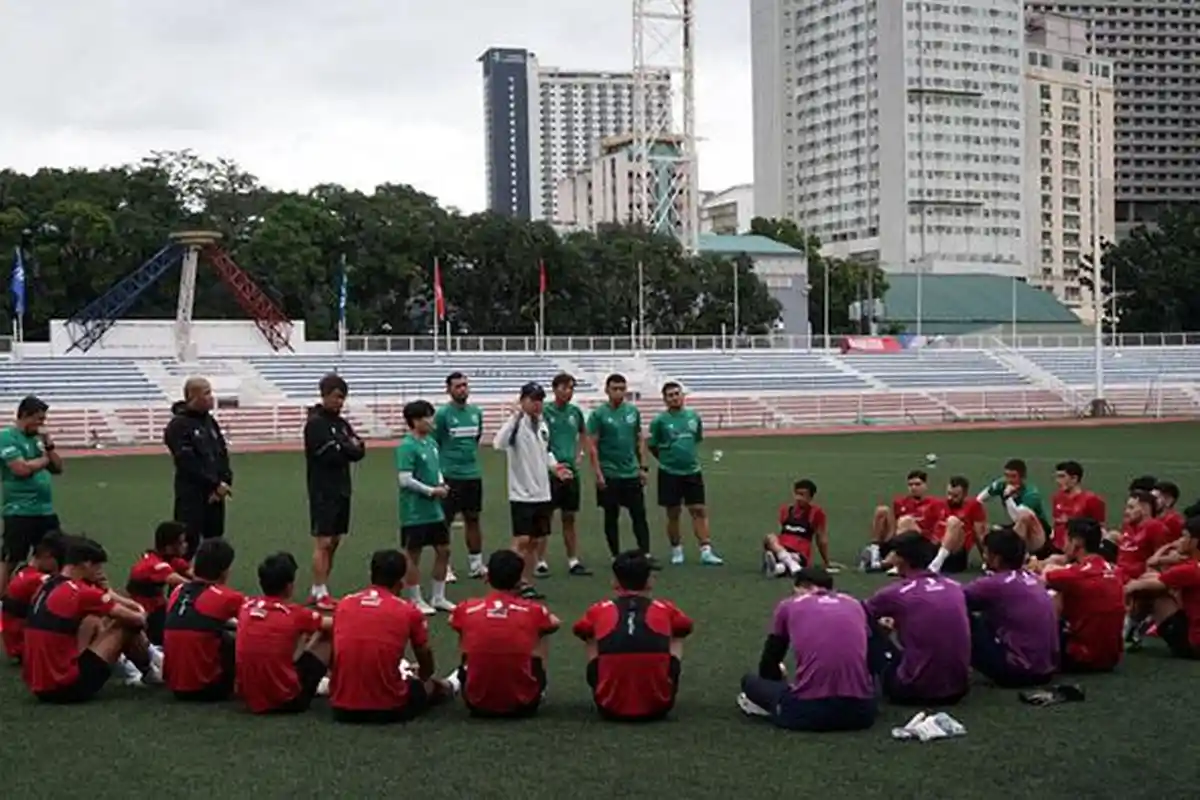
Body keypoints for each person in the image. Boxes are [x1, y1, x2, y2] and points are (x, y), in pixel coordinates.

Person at [737, 567, 876, 732]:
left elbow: (769, 663)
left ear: (801, 586)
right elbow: (871, 659)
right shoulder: (854, 603)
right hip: (862, 713)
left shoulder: (789, 605)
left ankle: (778, 705)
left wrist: (777, 679)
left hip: (809, 712)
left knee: (750, 681)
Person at [22, 536, 157, 702]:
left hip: (39, 685)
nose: (100, 571)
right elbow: (137, 619)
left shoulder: (46, 586)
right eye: (98, 566)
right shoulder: (82, 592)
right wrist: (141, 612)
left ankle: (136, 664)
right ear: (85, 564)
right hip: (66, 687)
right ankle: (150, 672)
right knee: (125, 624)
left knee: (94, 619)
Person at [330, 549, 452, 723]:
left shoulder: (345, 604)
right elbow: (425, 656)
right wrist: (424, 675)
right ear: (401, 580)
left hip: (341, 709)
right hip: (389, 709)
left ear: (371, 574)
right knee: (431, 686)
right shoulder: (408, 611)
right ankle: (452, 684)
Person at [573, 550, 692, 721]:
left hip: (609, 708)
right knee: (677, 634)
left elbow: (579, 630)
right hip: (659, 707)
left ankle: (606, 688)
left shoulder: (599, 609)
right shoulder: (665, 608)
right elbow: (686, 626)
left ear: (614, 582)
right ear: (650, 581)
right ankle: (659, 688)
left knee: (590, 635)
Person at [447, 549, 560, 718]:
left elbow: (452, 621)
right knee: (542, 630)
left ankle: (469, 674)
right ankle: (533, 686)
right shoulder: (534, 610)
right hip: (524, 705)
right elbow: (554, 623)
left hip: (476, 704)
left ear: (487, 577)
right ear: (520, 581)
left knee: (466, 629)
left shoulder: (467, 607)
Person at [863, 532, 971, 705]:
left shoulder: (895, 593)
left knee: (861, 626)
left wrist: (880, 630)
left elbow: (857, 615)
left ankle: (846, 685)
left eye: (894, 553)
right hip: (958, 690)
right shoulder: (954, 587)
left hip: (914, 691)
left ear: (902, 560)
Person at [492, 382, 572, 600]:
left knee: (535, 541)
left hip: (542, 492)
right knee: (522, 540)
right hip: (522, 493)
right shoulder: (517, 424)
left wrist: (556, 468)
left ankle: (525, 582)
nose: (537, 404)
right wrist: (514, 418)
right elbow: (498, 444)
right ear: (523, 401)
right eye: (532, 399)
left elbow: (545, 452)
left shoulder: (543, 424)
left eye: (540, 400)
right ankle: (507, 582)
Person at [235, 552, 332, 714]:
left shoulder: (246, 606)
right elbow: (334, 625)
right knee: (326, 635)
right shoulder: (295, 613)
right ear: (289, 586)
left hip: (249, 698)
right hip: (286, 700)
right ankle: (342, 685)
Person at [963, 525, 1059, 687]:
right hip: (1047, 669)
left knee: (953, 613)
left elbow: (950, 600)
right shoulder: (1031, 577)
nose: (984, 557)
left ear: (996, 559)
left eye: (986, 553)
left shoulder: (995, 584)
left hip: (1018, 672)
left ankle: (941, 668)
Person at [303, 373, 366, 609]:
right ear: (325, 395)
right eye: (336, 397)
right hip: (322, 489)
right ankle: (319, 591)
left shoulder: (341, 423)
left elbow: (359, 450)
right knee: (324, 541)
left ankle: (320, 587)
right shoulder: (316, 423)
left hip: (342, 487)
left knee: (336, 540)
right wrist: (346, 447)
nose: (340, 402)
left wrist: (346, 447)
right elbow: (329, 454)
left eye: (343, 398)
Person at [648, 381, 722, 566]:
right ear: (665, 400)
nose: (674, 398)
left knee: (699, 510)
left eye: (677, 393)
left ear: (682, 395)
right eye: (670, 395)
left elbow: (696, 439)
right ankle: (677, 550)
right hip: (669, 472)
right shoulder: (660, 421)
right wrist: (665, 459)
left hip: (692, 471)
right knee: (673, 512)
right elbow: (652, 444)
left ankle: (706, 550)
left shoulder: (693, 417)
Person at [162, 537, 245, 702]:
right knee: (239, 637)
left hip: (174, 688)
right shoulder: (228, 598)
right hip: (209, 689)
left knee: (214, 630)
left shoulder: (177, 591)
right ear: (224, 571)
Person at [587, 374, 656, 568]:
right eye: (614, 388)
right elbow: (592, 445)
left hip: (631, 472)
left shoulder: (632, 412)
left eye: (621, 388)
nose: (619, 392)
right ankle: (615, 555)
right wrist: (598, 473)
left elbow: (639, 439)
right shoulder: (599, 414)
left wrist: (643, 467)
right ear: (607, 390)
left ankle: (646, 553)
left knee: (639, 515)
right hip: (610, 473)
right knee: (611, 515)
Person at [1038, 518, 1124, 672]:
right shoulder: (1114, 570)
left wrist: (1048, 566)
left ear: (1077, 542)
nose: (1063, 545)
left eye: (1066, 539)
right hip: (1111, 658)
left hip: (1080, 657)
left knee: (1051, 593)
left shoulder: (1074, 575)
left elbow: (1041, 581)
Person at [0, 395, 63, 600]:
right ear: (25, 415)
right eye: (38, 419)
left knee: (53, 555)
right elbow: (21, 469)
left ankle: (48, 598)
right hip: (20, 511)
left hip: (45, 510)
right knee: (11, 558)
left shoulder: (37, 440)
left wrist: (49, 446)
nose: (41, 424)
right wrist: (44, 459)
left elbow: (58, 467)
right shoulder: (7, 437)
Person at [163, 377, 232, 559]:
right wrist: (214, 484)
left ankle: (212, 585)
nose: (212, 397)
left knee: (215, 546)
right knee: (186, 545)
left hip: (216, 496)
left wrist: (224, 482)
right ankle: (180, 586)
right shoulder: (178, 426)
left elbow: (222, 454)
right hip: (192, 496)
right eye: (207, 393)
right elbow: (187, 462)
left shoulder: (210, 422)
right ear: (193, 396)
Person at [396, 400, 454, 616]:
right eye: (427, 417)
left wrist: (440, 483)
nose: (431, 421)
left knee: (444, 550)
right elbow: (404, 479)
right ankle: (415, 599)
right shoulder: (406, 446)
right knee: (413, 554)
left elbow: (436, 469)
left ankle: (438, 596)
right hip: (414, 511)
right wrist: (431, 491)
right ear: (415, 421)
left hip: (434, 509)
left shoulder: (431, 443)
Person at [537, 372, 592, 577]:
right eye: (564, 388)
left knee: (569, 517)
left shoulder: (575, 412)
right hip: (550, 472)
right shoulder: (545, 412)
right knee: (546, 517)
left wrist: (579, 453)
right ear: (555, 389)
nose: (567, 392)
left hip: (570, 471)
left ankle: (572, 560)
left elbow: (583, 433)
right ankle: (540, 561)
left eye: (571, 388)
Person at [1123, 517, 1200, 660]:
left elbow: (1149, 574)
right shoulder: (1191, 565)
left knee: (1151, 592)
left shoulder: (1190, 569)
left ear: (1195, 541)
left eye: (1184, 536)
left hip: (1195, 645)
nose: (1179, 541)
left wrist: (1126, 587)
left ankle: (1129, 633)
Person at [434, 371, 485, 581]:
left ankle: (476, 564)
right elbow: (436, 443)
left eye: (465, 385)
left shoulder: (476, 412)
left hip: (472, 475)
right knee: (444, 521)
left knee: (473, 519)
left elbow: (476, 439)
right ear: (449, 390)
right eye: (457, 386)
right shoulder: (443, 414)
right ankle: (445, 566)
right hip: (450, 476)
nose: (462, 389)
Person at [125, 521, 192, 650]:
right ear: (169, 547)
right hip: (146, 616)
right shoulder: (155, 565)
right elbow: (185, 583)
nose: (186, 545)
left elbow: (194, 573)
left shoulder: (168, 559)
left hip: (158, 610)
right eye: (181, 542)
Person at [2, 531, 67, 662]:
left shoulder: (24, 571)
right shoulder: (37, 579)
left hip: (16, 640)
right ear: (47, 556)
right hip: (24, 645)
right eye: (60, 561)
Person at [865, 470, 946, 573]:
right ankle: (875, 552)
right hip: (898, 539)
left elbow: (937, 528)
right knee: (882, 510)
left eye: (917, 484)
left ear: (925, 486)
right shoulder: (900, 502)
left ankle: (891, 562)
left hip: (920, 543)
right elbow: (894, 525)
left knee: (906, 521)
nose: (913, 488)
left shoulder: (934, 504)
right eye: (910, 485)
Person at [976, 458, 1053, 558]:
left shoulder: (1031, 494)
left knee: (1023, 520)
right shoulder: (1001, 484)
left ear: (1022, 477)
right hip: (1017, 526)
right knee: (987, 529)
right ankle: (989, 560)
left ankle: (1019, 559)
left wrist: (1008, 497)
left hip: (1037, 533)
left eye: (1013, 476)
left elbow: (1018, 518)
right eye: (1006, 476)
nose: (1009, 480)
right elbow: (978, 500)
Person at [763, 478, 830, 577]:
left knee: (789, 559)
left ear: (810, 498)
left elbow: (821, 538)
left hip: (800, 552)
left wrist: (826, 561)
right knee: (769, 538)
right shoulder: (785, 510)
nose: (798, 498)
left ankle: (780, 567)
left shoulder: (816, 513)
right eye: (797, 494)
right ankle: (790, 564)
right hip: (782, 548)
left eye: (803, 495)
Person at [928, 476, 988, 574]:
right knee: (906, 521)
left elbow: (980, 535)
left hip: (955, 553)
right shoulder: (938, 504)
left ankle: (937, 563)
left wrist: (986, 559)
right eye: (949, 494)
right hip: (934, 548)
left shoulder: (973, 506)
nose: (950, 498)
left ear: (965, 495)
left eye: (955, 496)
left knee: (953, 522)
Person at [1116, 490, 1173, 584]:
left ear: (1145, 509)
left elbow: (1163, 565)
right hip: (1119, 576)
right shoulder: (1128, 527)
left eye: (1131, 508)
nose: (1126, 511)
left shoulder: (1156, 528)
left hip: (1137, 582)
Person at [1050, 461, 1107, 552]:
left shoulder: (1091, 500)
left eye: (1062, 477)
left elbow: (1100, 528)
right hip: (1056, 547)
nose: (1058, 481)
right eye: (1057, 477)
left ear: (1074, 479)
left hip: (1078, 550)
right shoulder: (1057, 498)